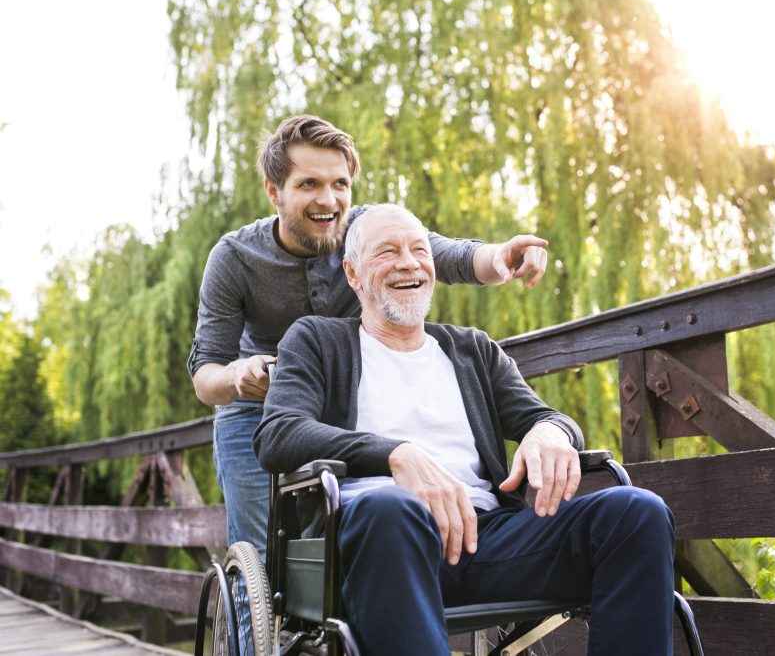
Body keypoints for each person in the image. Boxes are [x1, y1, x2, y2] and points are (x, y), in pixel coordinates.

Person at [253, 204, 676, 655]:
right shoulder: (317, 340)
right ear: (353, 275)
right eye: (388, 252)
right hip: (377, 538)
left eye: (419, 250)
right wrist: (396, 454)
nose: (409, 262)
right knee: (391, 508)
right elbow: (279, 433)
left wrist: (551, 432)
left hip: (487, 537)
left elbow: (546, 417)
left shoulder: (472, 349)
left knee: (636, 513)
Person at [188, 115, 550, 558]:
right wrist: (238, 376)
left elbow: (450, 255)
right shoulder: (234, 258)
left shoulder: (366, 233)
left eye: (340, 184)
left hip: (340, 406)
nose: (328, 200)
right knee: (260, 558)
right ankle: (257, 624)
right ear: (273, 191)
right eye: (309, 185)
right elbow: (205, 376)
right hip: (255, 413)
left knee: (340, 544)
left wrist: (503, 257)